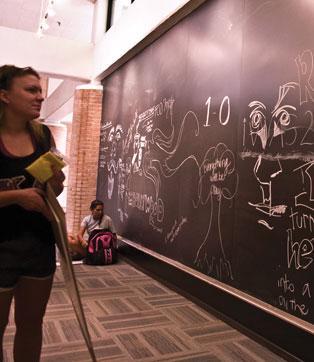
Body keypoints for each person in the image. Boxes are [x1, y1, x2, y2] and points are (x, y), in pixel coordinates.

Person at [0, 65, 65, 362]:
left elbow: (51, 193)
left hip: (38, 244)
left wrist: (55, 183)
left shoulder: (43, 136)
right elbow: (25, 196)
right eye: (31, 90)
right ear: (4, 96)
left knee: (31, 326)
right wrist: (17, 196)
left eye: (40, 90)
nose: (40, 97)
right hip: (1, 245)